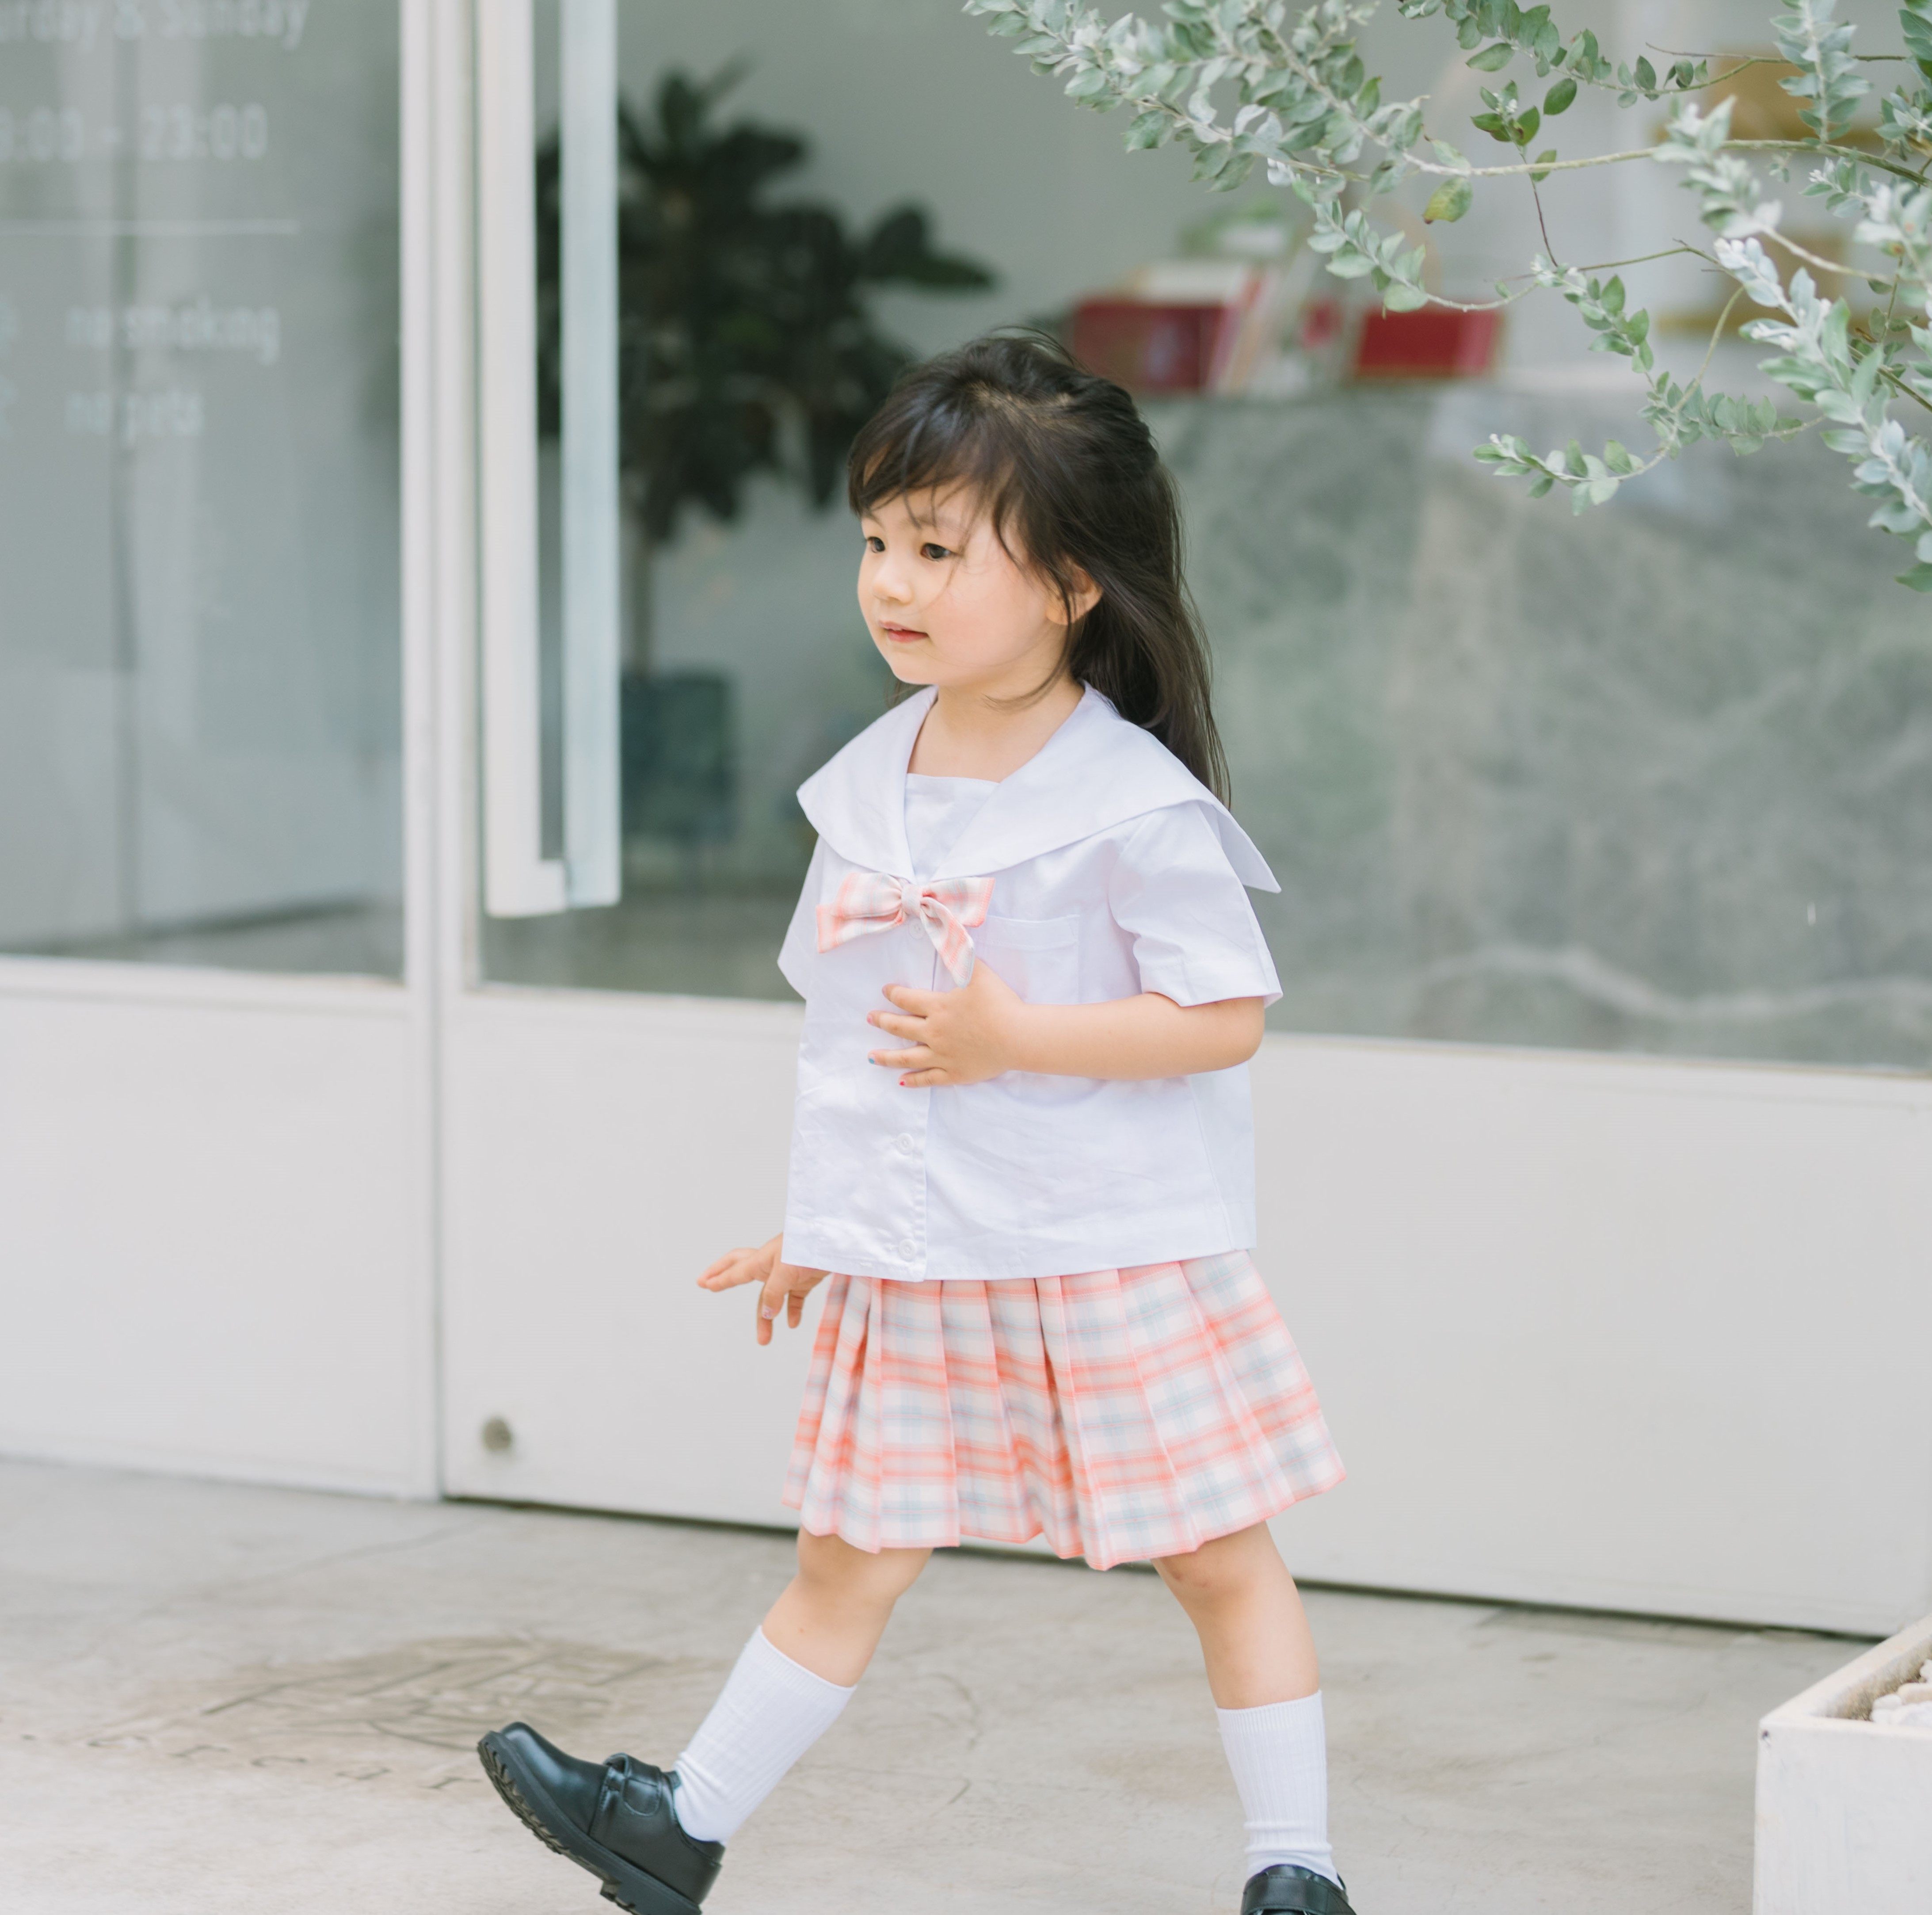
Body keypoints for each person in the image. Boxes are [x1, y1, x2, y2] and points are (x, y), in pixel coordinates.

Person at [477, 335, 1354, 1915]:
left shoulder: (1130, 799)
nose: (890, 580)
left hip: (1108, 1246)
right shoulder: (868, 789)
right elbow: (857, 1050)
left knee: (1218, 1555)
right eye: (878, 540)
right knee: (846, 1554)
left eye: (939, 549)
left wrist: (1018, 1037)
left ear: (1073, 582)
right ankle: (678, 1825)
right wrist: (823, 1227)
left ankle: (1296, 1871)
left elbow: (1224, 1015)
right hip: (926, 1252)